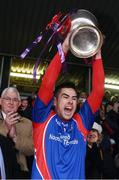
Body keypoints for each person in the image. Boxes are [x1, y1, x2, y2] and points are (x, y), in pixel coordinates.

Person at [31, 29, 105, 179]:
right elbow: (47, 84)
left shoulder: (81, 122)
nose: (70, 101)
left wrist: (97, 53)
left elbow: (98, 91)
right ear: (55, 101)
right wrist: (64, 48)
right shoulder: (42, 119)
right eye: (65, 97)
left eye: (74, 98)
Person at [0, 87, 34, 179]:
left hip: (20, 172)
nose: (11, 102)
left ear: (19, 104)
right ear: (0, 101)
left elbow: (31, 150)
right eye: (7, 99)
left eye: (15, 100)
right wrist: (6, 127)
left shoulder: (27, 123)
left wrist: (15, 137)